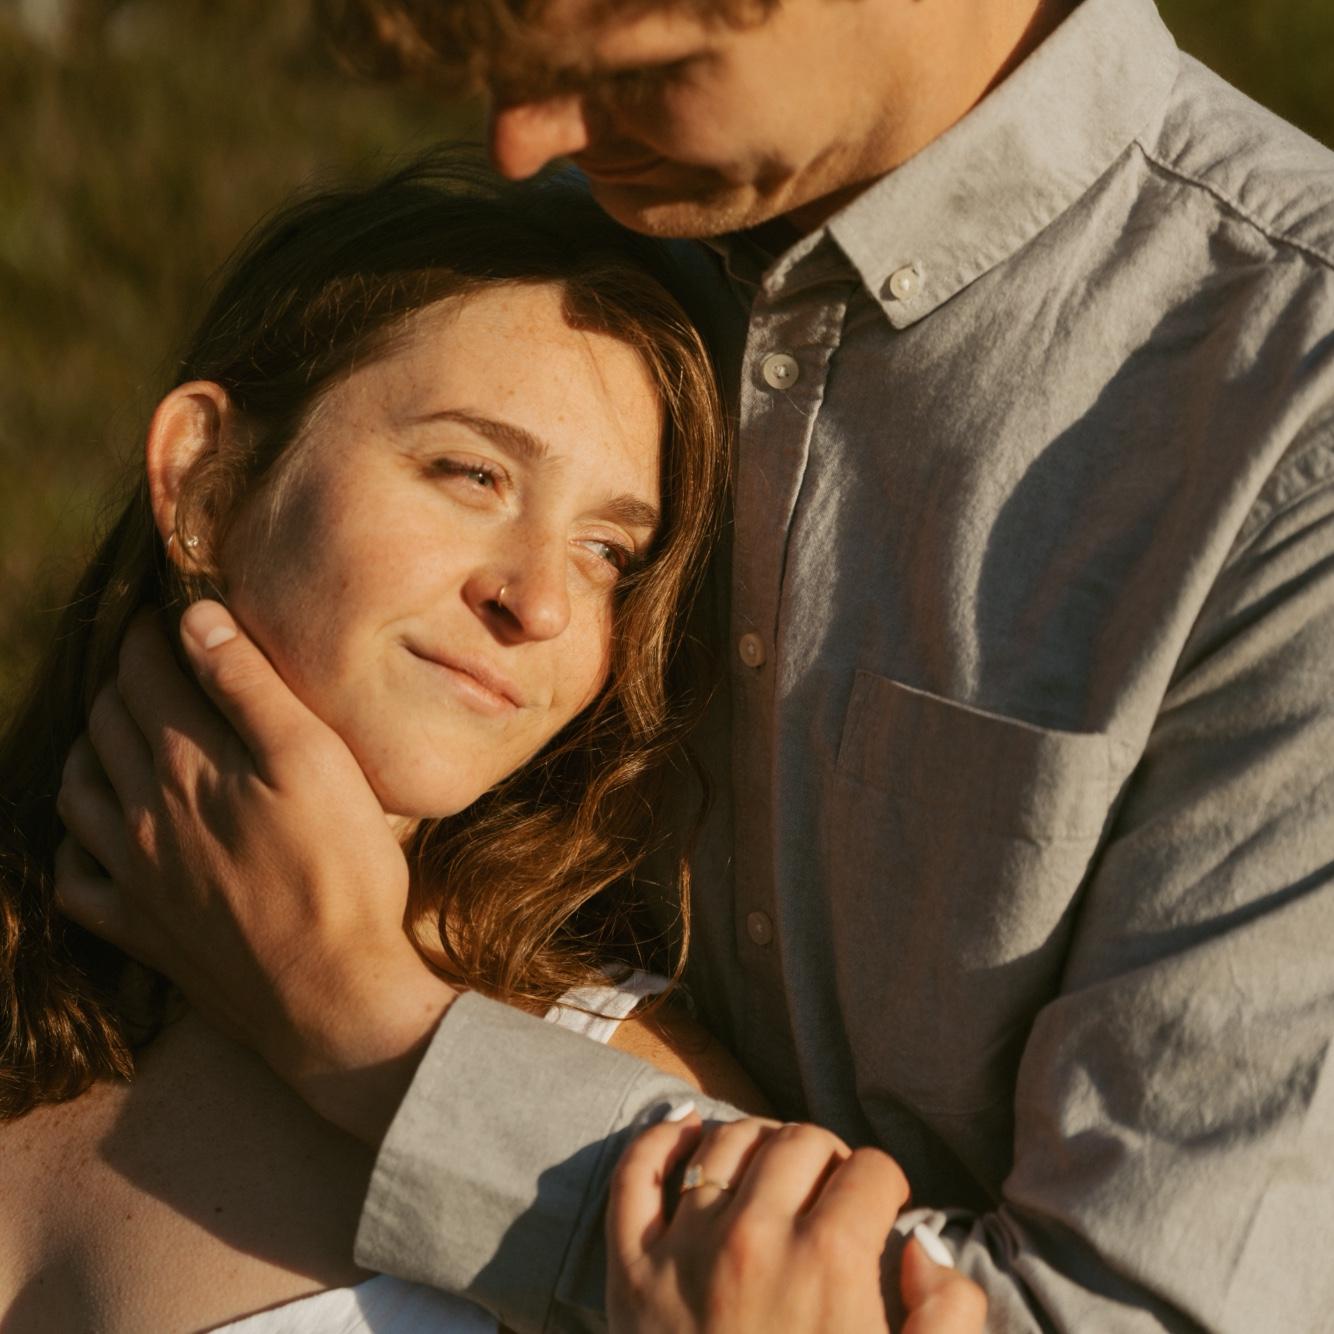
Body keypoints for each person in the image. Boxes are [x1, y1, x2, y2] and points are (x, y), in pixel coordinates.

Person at [56, 0, 1334, 1328]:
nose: (521, 140)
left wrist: (366, 1028)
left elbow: (1131, 1309)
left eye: (633, 63)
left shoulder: (1290, 418)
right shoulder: (598, 243)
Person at [4, 153, 981, 1333]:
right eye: (472, 473)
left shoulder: (630, 1126)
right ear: (205, 478)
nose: (541, 601)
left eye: (607, 551)